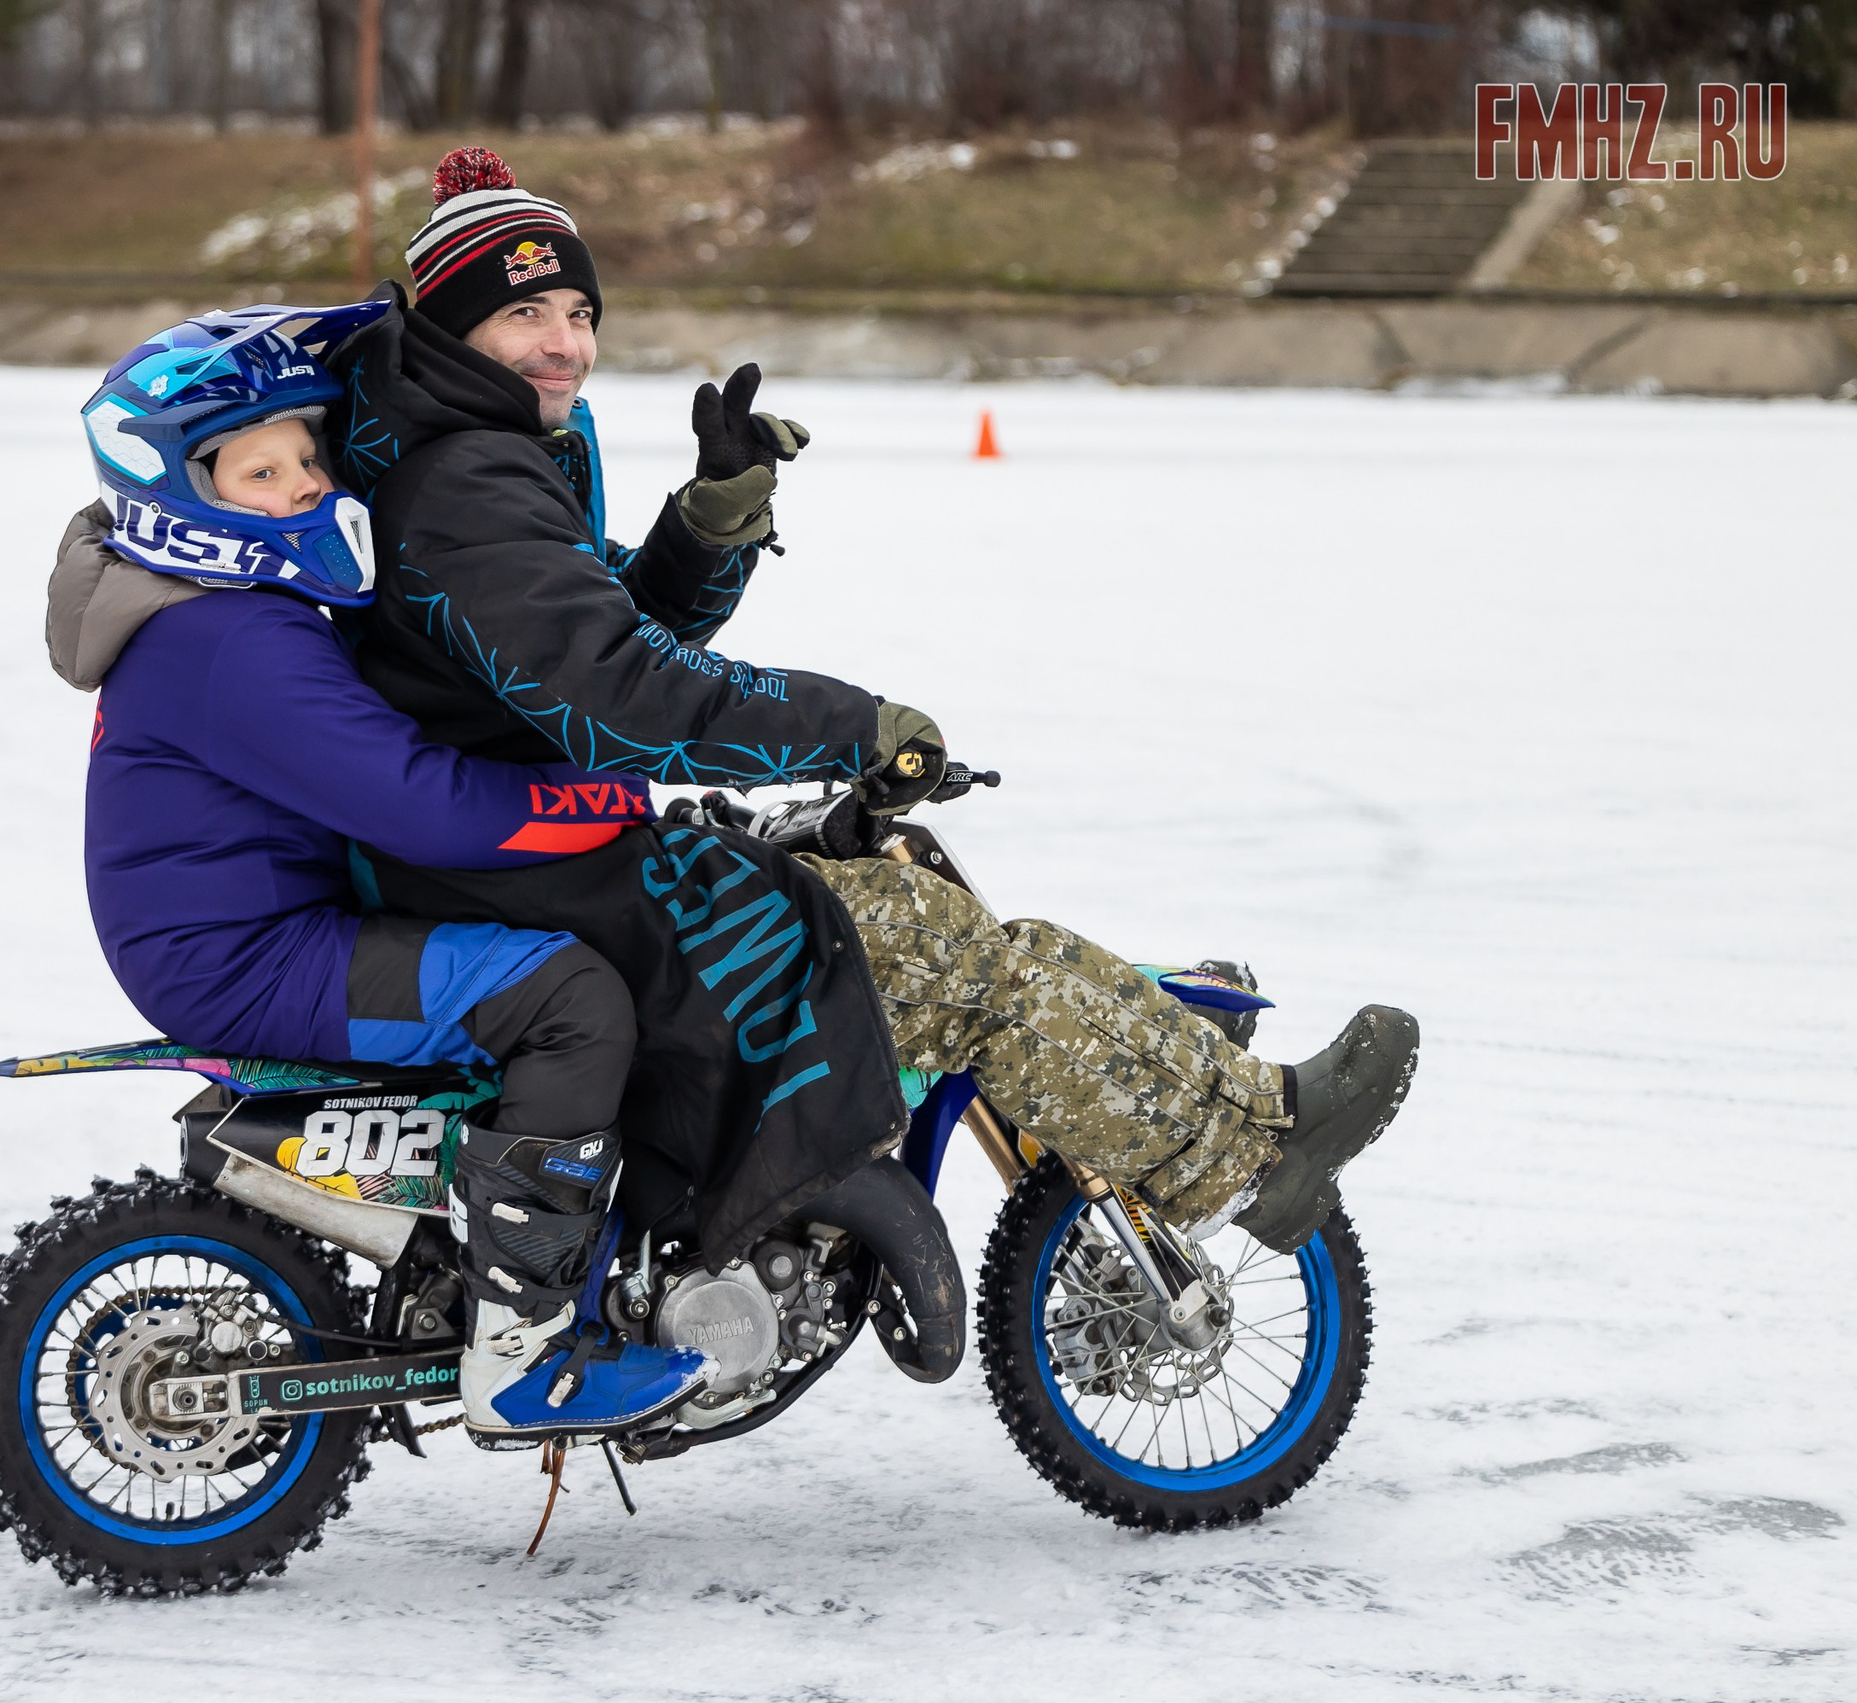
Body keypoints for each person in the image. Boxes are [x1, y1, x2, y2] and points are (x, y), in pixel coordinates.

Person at [319, 147, 1419, 1257]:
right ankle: (1248, 1156)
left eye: (576, 310)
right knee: (936, 953)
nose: (563, 343)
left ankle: (1246, 1110)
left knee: (943, 920)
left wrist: (710, 521)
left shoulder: (472, 450)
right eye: (524, 317)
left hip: (538, 841)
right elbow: (620, 700)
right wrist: (851, 726)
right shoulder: (464, 481)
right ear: (456, 328)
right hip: (524, 869)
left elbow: (595, 636)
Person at [55, 304, 709, 1441]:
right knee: (568, 1002)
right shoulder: (229, 640)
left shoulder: (223, 607)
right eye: (263, 471)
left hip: (264, 920)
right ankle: (522, 1356)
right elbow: (425, 804)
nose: (306, 485)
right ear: (180, 490)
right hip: (249, 957)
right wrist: (605, 797)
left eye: (308, 456)